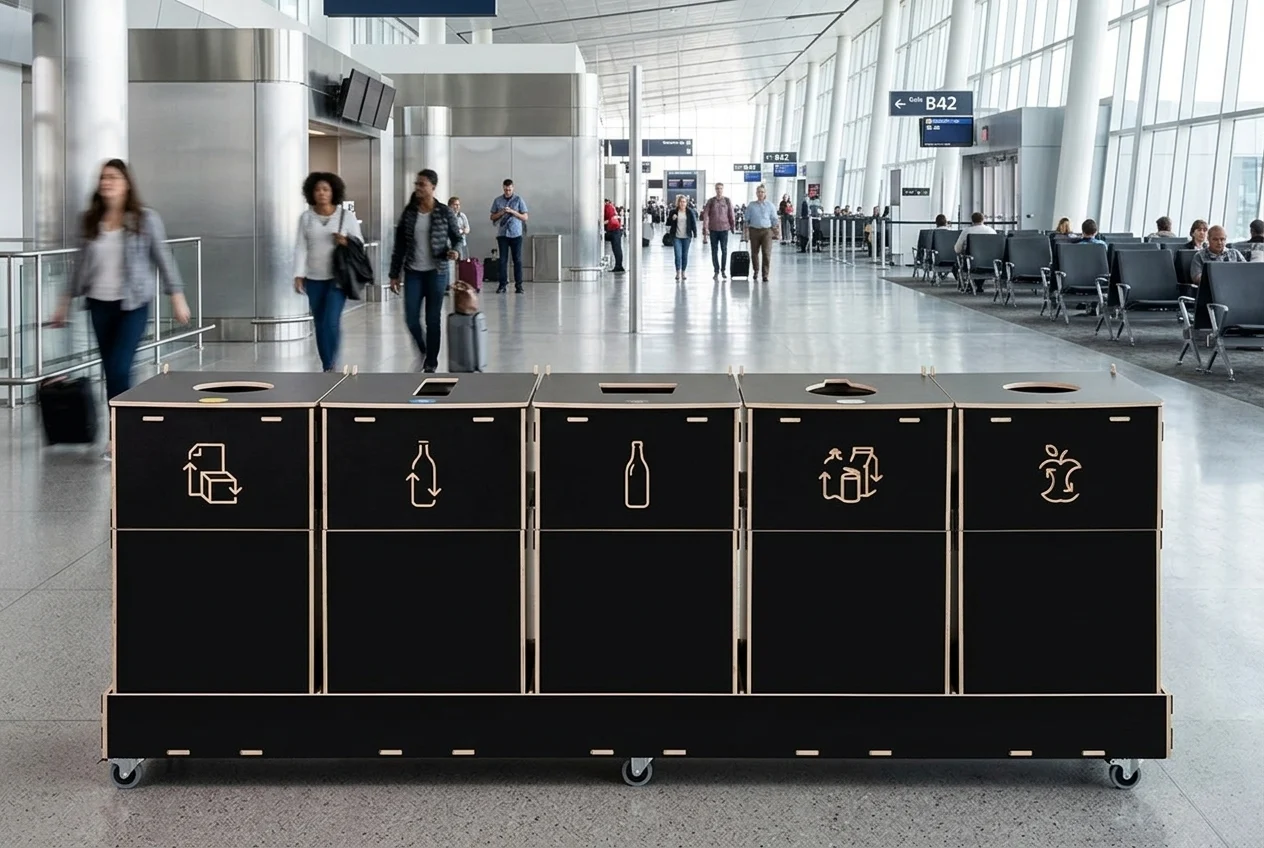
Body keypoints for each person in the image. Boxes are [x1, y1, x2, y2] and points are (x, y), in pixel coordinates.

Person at [52, 159, 190, 449]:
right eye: (103, 177)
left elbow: (163, 258)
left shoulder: (145, 219)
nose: (107, 182)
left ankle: (120, 436)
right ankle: (125, 428)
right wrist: (64, 302)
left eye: (113, 177)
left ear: (126, 183)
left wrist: (176, 296)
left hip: (134, 305)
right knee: (112, 370)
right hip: (99, 305)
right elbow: (78, 265)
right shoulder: (90, 220)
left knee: (118, 368)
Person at [389, 169, 462, 373]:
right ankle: (423, 351)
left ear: (433, 187)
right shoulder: (409, 212)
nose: (418, 188)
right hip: (413, 272)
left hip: (436, 272)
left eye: (422, 184)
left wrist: (455, 251)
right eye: (417, 184)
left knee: (432, 319)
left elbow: (457, 238)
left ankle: (431, 362)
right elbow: (400, 245)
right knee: (411, 318)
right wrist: (394, 274)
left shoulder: (444, 212)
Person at [292, 171, 363, 373]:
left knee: (331, 320)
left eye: (326, 189)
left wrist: (346, 241)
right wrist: (298, 274)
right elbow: (300, 246)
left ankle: (333, 361)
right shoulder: (306, 218)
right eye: (317, 190)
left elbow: (360, 242)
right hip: (313, 278)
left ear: (334, 192)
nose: (321, 193)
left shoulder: (345, 216)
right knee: (320, 323)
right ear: (311, 193)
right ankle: (327, 365)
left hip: (337, 278)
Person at [490, 178, 529, 293]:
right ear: (503, 188)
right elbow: (492, 217)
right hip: (502, 234)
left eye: (509, 189)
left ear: (513, 188)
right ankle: (502, 285)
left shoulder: (519, 200)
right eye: (506, 189)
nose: (507, 191)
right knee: (502, 260)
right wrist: (501, 212)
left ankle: (519, 286)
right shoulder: (497, 200)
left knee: (517, 260)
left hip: (516, 234)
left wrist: (513, 212)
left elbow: (525, 217)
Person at [701, 182, 736, 279]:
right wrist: (705, 228)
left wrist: (733, 226)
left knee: (724, 250)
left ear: (723, 189)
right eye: (717, 188)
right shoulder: (711, 201)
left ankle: (723, 270)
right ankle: (716, 270)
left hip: (724, 229)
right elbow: (706, 215)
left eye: (720, 188)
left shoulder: (727, 201)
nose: (719, 190)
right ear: (715, 189)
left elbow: (731, 214)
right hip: (713, 229)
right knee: (714, 250)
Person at [744, 184, 777, 283]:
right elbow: (746, 219)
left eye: (762, 192)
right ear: (756, 193)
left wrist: (776, 231)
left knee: (766, 253)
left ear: (765, 193)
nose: (760, 194)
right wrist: (745, 231)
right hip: (754, 230)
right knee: (754, 253)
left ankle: (765, 274)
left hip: (767, 231)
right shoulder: (751, 205)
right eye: (758, 192)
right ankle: (756, 271)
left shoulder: (770, 205)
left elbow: (774, 219)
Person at [665, 194, 698, 281]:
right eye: (681, 202)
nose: (682, 203)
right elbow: (668, 223)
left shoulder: (690, 212)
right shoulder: (673, 212)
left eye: (684, 202)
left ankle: (683, 272)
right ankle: (678, 272)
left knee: (685, 255)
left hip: (687, 237)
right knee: (678, 255)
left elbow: (693, 223)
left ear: (686, 203)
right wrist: (672, 219)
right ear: (678, 203)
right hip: (676, 237)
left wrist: (695, 233)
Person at [603, 198, 625, 273]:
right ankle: (619, 266)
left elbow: (610, 220)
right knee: (617, 248)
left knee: (616, 249)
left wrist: (601, 223)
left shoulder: (607, 207)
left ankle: (619, 266)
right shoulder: (611, 207)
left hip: (614, 230)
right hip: (616, 230)